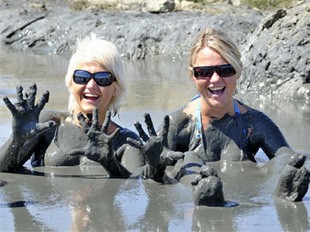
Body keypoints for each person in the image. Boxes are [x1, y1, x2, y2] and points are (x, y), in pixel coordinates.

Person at [129, 27, 309, 205]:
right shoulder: (178, 124)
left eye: (224, 70)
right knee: (190, 158)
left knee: (286, 159)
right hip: (193, 192)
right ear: (192, 76)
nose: (215, 79)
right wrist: (155, 169)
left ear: (238, 71)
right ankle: (206, 193)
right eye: (204, 72)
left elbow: (288, 158)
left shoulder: (254, 123)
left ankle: (284, 194)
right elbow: (146, 178)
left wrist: (290, 168)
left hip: (243, 202)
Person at [0, 34, 147, 177]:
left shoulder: (128, 141)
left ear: (116, 87)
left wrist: (111, 164)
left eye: (102, 79)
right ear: (70, 83)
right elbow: (4, 169)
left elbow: (135, 185)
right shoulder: (48, 124)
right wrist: (17, 141)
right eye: (82, 77)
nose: (91, 86)